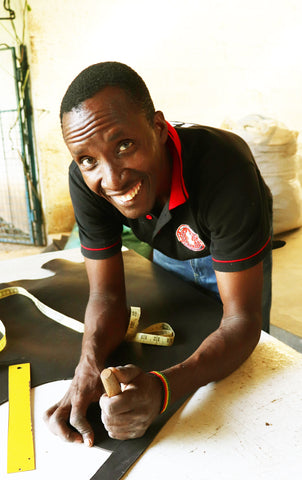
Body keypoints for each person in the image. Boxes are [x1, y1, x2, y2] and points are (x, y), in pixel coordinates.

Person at [44, 61, 272, 445]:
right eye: (88, 160)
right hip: (169, 246)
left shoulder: (225, 170)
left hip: (233, 236)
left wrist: (163, 389)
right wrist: (87, 367)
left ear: (158, 128)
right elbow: (107, 294)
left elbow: (242, 321)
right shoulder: (85, 182)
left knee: (248, 383)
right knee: (185, 337)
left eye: (124, 145)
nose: (112, 179)